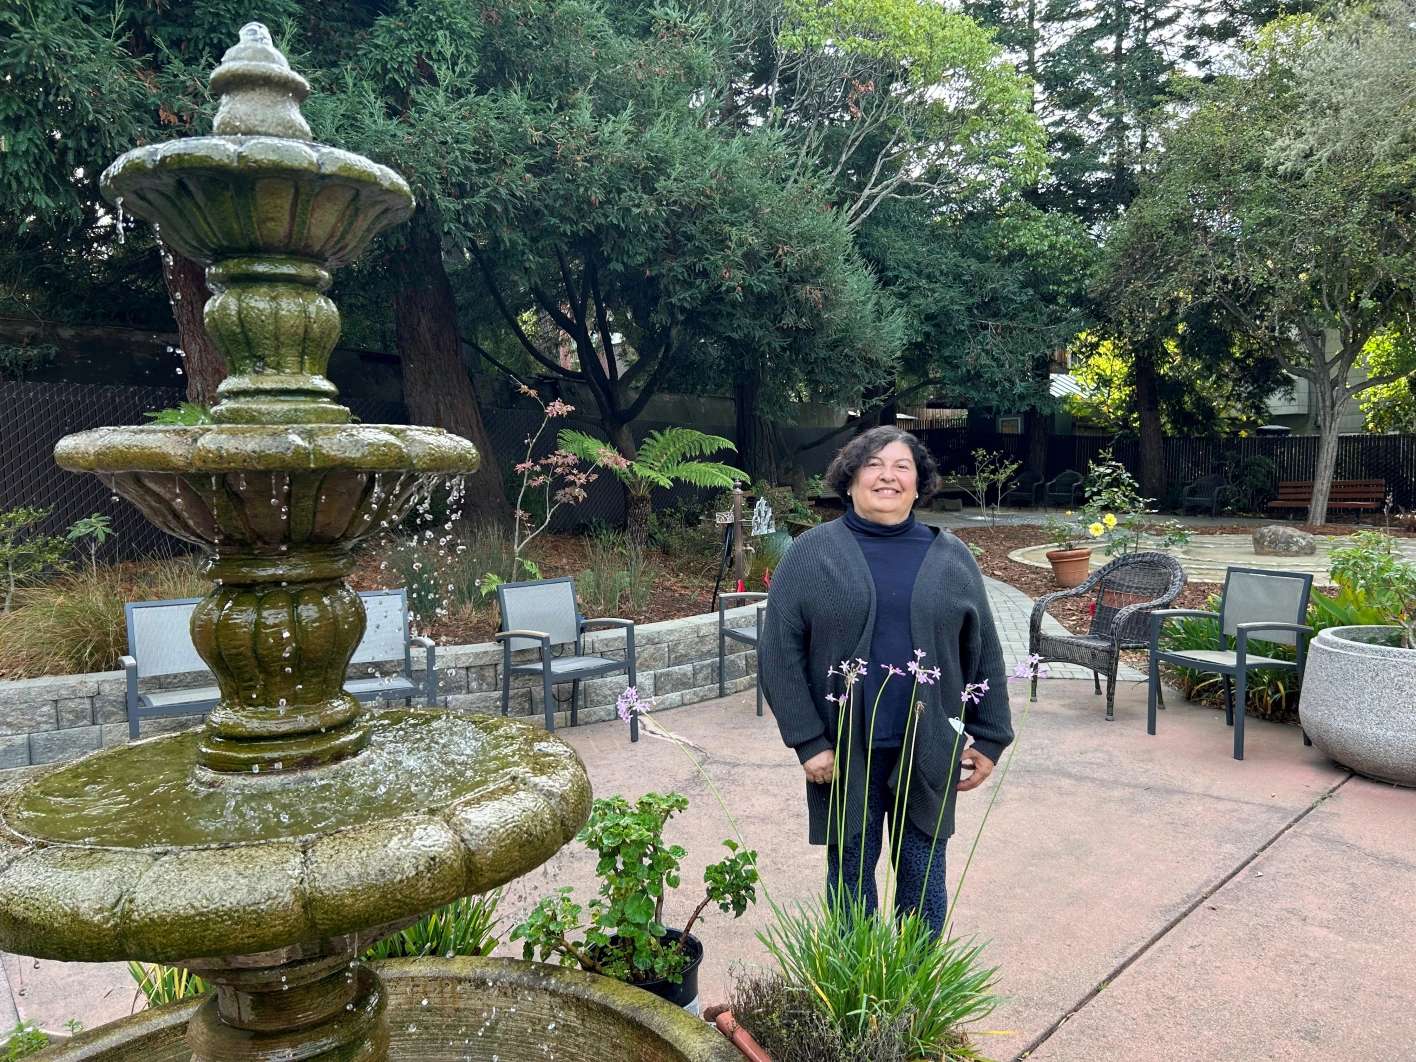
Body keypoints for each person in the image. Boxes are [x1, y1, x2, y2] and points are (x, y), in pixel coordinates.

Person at [758, 426, 1013, 936]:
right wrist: (808, 741)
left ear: (920, 485)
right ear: (849, 481)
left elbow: (983, 647)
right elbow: (779, 652)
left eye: (902, 466)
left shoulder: (953, 557)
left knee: (924, 879)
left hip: (928, 747)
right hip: (844, 752)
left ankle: (913, 996)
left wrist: (990, 736)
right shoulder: (810, 553)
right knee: (850, 875)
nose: (888, 476)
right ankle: (855, 991)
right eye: (873, 464)